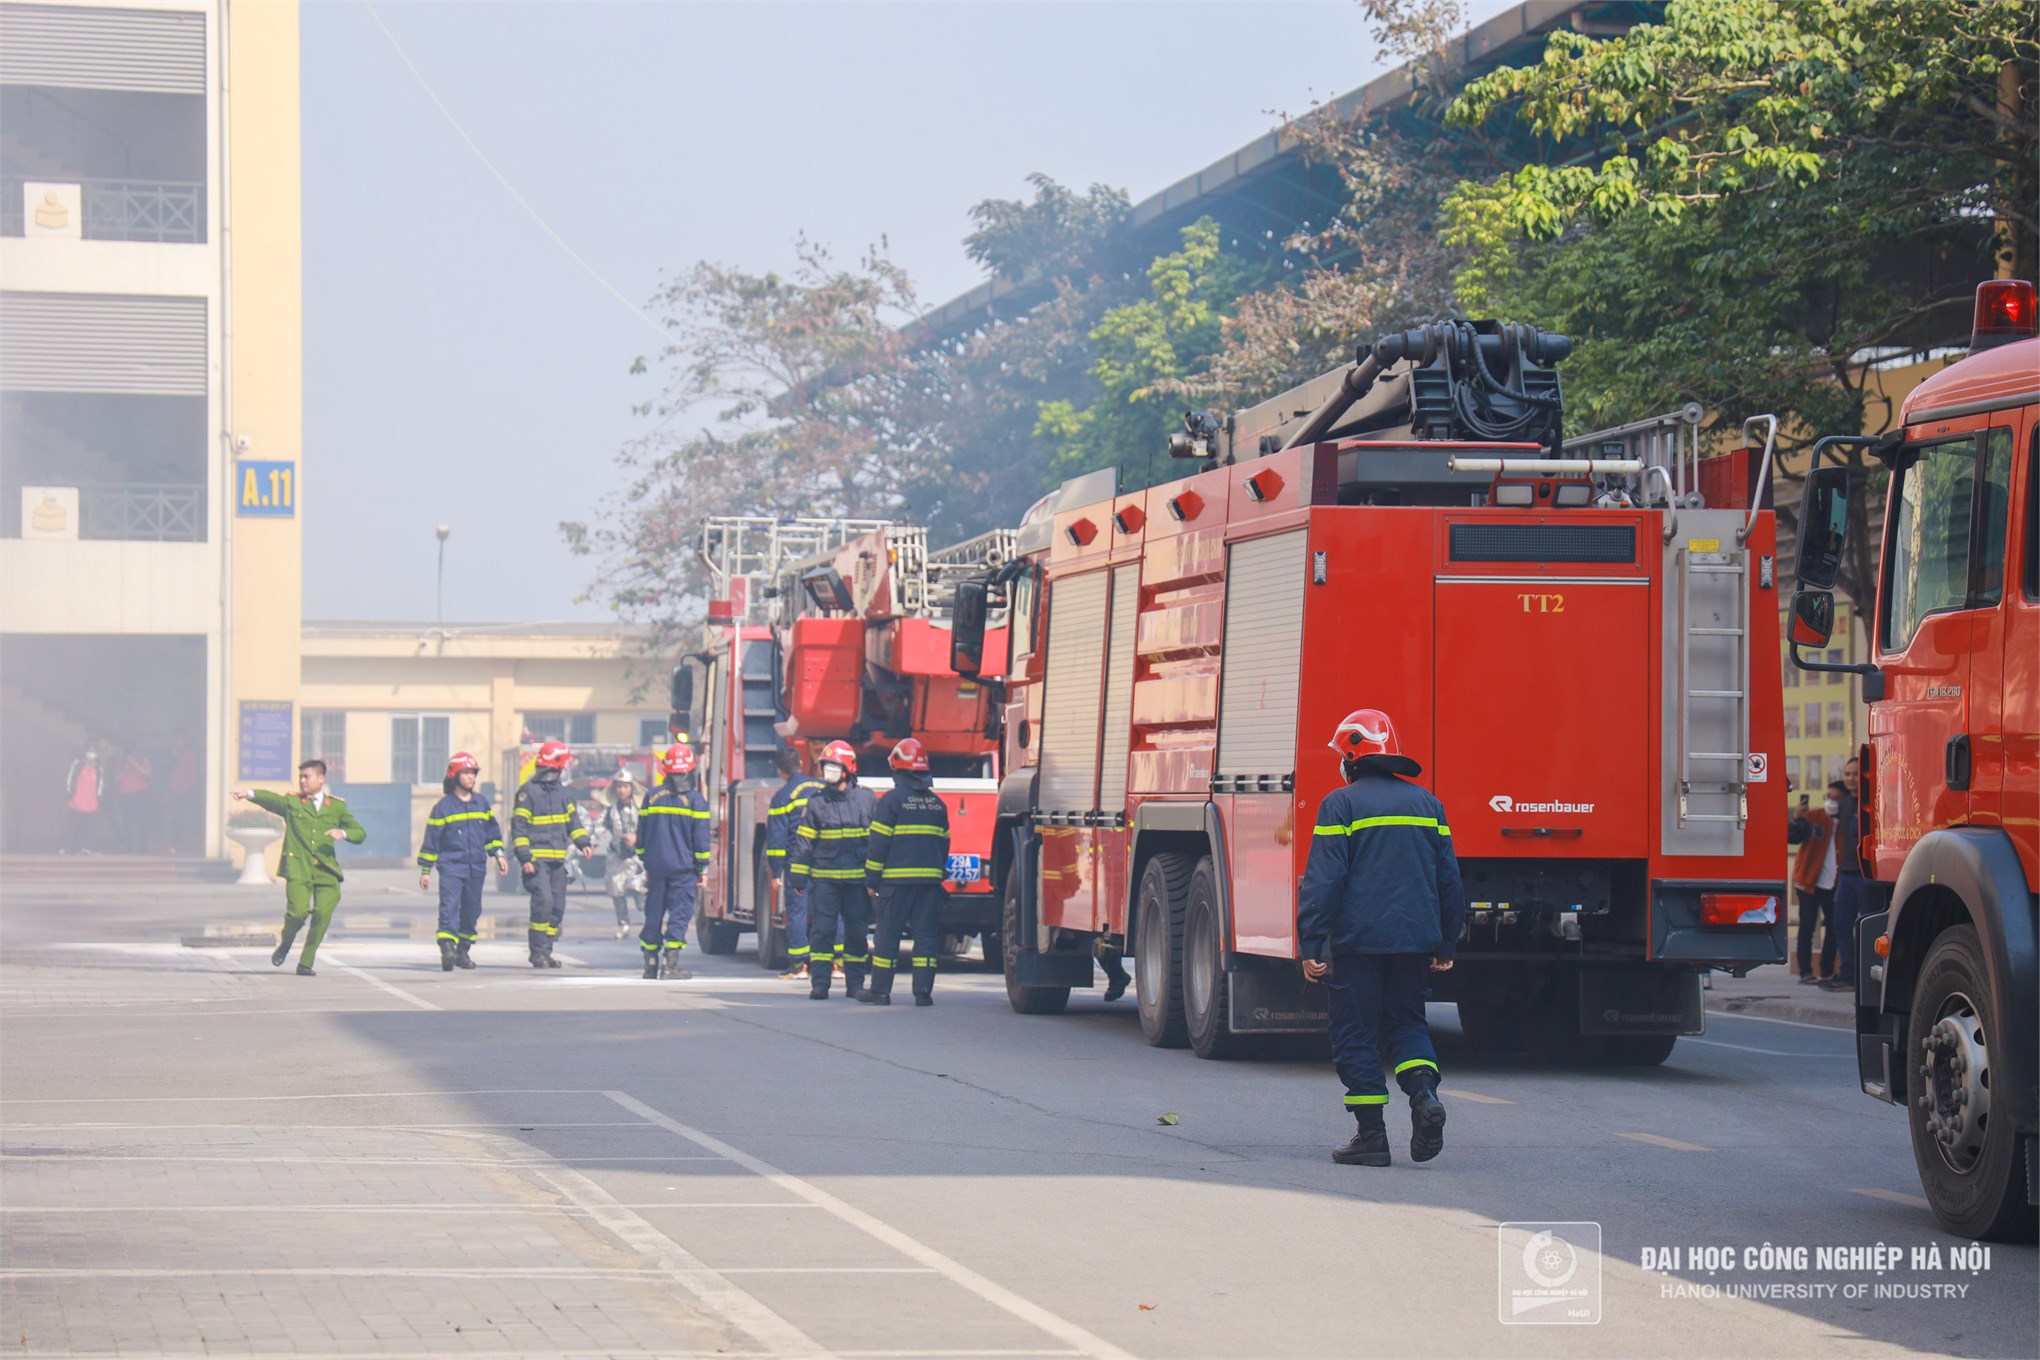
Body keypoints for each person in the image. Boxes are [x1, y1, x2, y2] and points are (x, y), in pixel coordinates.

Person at [1297, 708, 1466, 1168]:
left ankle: (1371, 1136)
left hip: (1358, 944)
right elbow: (1449, 880)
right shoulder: (1429, 805)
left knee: (1357, 1032)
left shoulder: (1340, 804)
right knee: (1407, 1023)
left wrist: (1312, 944)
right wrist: (1446, 942)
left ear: (1352, 757)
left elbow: (1323, 882)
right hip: (1415, 942)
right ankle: (1424, 1094)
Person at [236, 760, 366, 976]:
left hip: (326, 870)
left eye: (307, 776)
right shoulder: (293, 802)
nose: (303, 781)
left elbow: (360, 832)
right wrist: (249, 793)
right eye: (301, 777)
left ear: (321, 778)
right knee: (297, 912)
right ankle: (286, 943)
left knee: (323, 912)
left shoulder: (336, 806)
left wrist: (343, 833)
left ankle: (306, 961)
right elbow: (272, 800)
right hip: (298, 867)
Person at [861, 738, 951, 1007]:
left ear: (897, 769)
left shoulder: (890, 802)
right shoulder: (938, 805)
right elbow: (943, 845)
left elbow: (878, 845)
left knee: (887, 936)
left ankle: (880, 991)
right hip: (929, 885)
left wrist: (871, 879)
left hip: (896, 885)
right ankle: (923, 993)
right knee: (925, 937)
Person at [787, 739, 878, 1001]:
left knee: (857, 933)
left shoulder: (867, 800)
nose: (829, 772)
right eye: (826, 766)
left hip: (857, 884)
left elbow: (879, 842)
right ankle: (820, 984)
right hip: (825, 881)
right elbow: (804, 843)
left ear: (848, 768)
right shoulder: (816, 803)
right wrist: (798, 877)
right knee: (823, 932)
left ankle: (856, 984)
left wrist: (877, 878)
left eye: (834, 767)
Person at [417, 752, 508, 970]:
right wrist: (426, 870)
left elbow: (491, 834)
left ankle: (462, 951)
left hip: (476, 866)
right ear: (454, 775)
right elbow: (432, 841)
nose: (471, 778)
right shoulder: (443, 807)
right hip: (451, 867)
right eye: (466, 773)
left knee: (472, 909)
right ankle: (447, 949)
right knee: (449, 906)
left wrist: (499, 854)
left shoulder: (481, 803)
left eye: (473, 773)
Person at [512, 740, 591, 969]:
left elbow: (573, 822)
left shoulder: (563, 794)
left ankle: (546, 951)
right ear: (557, 764)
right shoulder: (528, 793)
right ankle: (536, 952)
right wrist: (525, 857)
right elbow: (519, 828)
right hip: (537, 862)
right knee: (543, 902)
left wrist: (583, 841)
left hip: (557, 861)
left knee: (557, 906)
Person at [637, 743, 711, 978]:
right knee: (679, 915)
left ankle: (649, 965)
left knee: (654, 913)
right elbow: (700, 841)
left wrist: (645, 861)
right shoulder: (696, 801)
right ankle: (670, 965)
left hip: (656, 868)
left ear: (665, 770)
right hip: (683, 870)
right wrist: (702, 869)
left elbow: (641, 836)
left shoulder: (651, 796)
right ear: (689, 770)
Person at [764, 748, 825, 980]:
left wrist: (776, 869)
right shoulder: (821, 788)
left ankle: (799, 965)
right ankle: (836, 964)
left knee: (797, 912)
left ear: (780, 771)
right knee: (830, 911)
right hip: (824, 861)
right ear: (800, 762)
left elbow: (777, 839)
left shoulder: (783, 796)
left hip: (797, 862)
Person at [1824, 756, 1872, 993]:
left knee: (1867, 926)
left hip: (1866, 874)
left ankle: (1868, 974)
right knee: (1841, 923)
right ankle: (1847, 974)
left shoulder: (1872, 802)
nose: (1851, 779)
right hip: (1847, 874)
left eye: (1855, 774)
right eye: (1848, 774)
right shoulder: (1843, 804)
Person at [1786, 783, 1841, 984]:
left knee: (1835, 927)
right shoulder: (1815, 817)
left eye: (1835, 799)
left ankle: (1827, 971)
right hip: (1809, 881)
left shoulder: (1846, 824)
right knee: (1807, 926)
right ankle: (1805, 972)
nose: (1830, 802)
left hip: (1834, 884)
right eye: (1828, 797)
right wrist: (1797, 817)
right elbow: (1793, 837)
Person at [600, 770, 646, 938]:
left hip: (637, 858)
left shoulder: (642, 807)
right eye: (619, 786)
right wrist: (586, 843)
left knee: (639, 890)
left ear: (632, 788)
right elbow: (598, 827)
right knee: (617, 892)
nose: (621, 790)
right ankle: (624, 925)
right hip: (617, 857)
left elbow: (651, 828)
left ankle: (647, 922)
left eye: (625, 786)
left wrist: (637, 837)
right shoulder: (609, 810)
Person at [113, 745, 152, 853]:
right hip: (125, 795)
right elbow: (117, 779)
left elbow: (148, 773)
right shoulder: (121, 762)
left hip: (139, 795)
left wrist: (134, 764)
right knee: (127, 823)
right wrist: (126, 766)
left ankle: (143, 847)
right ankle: (128, 847)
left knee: (141, 822)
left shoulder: (142, 760)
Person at [62, 748, 102, 854]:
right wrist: (71, 795)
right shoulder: (78, 766)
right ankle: (66, 848)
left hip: (91, 805)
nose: (91, 762)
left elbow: (100, 786)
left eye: (93, 760)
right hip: (76, 803)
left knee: (87, 828)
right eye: (88, 759)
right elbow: (69, 780)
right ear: (85, 759)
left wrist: (98, 799)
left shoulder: (98, 770)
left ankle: (85, 848)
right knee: (72, 827)